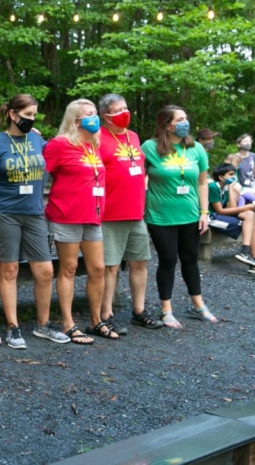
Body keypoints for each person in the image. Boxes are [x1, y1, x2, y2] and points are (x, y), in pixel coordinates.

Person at [0, 94, 69, 349]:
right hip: (3, 213)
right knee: (9, 270)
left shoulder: (38, 140)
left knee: (45, 271)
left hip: (34, 213)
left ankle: (43, 325)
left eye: (33, 116)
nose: (31, 120)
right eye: (27, 115)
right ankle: (13, 327)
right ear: (12, 114)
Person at [44, 99, 115, 344]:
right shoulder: (60, 144)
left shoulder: (94, 144)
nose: (95, 117)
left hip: (93, 216)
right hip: (67, 215)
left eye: (95, 113)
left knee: (97, 268)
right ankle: (68, 323)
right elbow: (41, 171)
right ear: (76, 120)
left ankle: (96, 321)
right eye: (89, 114)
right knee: (69, 268)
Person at [142, 105, 217, 328]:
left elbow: (203, 182)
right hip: (161, 216)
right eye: (180, 119)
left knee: (191, 260)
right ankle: (166, 310)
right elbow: (137, 179)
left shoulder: (195, 149)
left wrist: (204, 212)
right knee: (167, 261)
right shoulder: (149, 147)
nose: (185, 123)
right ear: (167, 125)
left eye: (186, 117)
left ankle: (198, 305)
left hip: (191, 215)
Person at [97, 94, 163, 334]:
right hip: (110, 213)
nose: (125, 112)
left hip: (136, 212)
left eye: (126, 107)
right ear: (106, 116)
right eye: (119, 109)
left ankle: (139, 310)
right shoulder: (98, 137)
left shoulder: (133, 136)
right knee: (110, 266)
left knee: (140, 262)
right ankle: (105, 314)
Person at [207, 163, 255, 274]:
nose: (233, 177)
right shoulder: (213, 187)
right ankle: (248, 256)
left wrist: (231, 189)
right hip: (211, 218)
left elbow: (232, 208)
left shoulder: (225, 188)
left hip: (222, 216)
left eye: (234, 174)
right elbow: (219, 211)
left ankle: (252, 259)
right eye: (230, 174)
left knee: (250, 216)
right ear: (221, 177)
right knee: (247, 219)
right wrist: (246, 206)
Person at [236, 134, 255, 200]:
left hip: (254, 184)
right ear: (238, 144)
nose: (248, 143)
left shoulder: (253, 156)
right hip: (242, 187)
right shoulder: (234, 158)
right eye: (245, 141)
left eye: (249, 141)